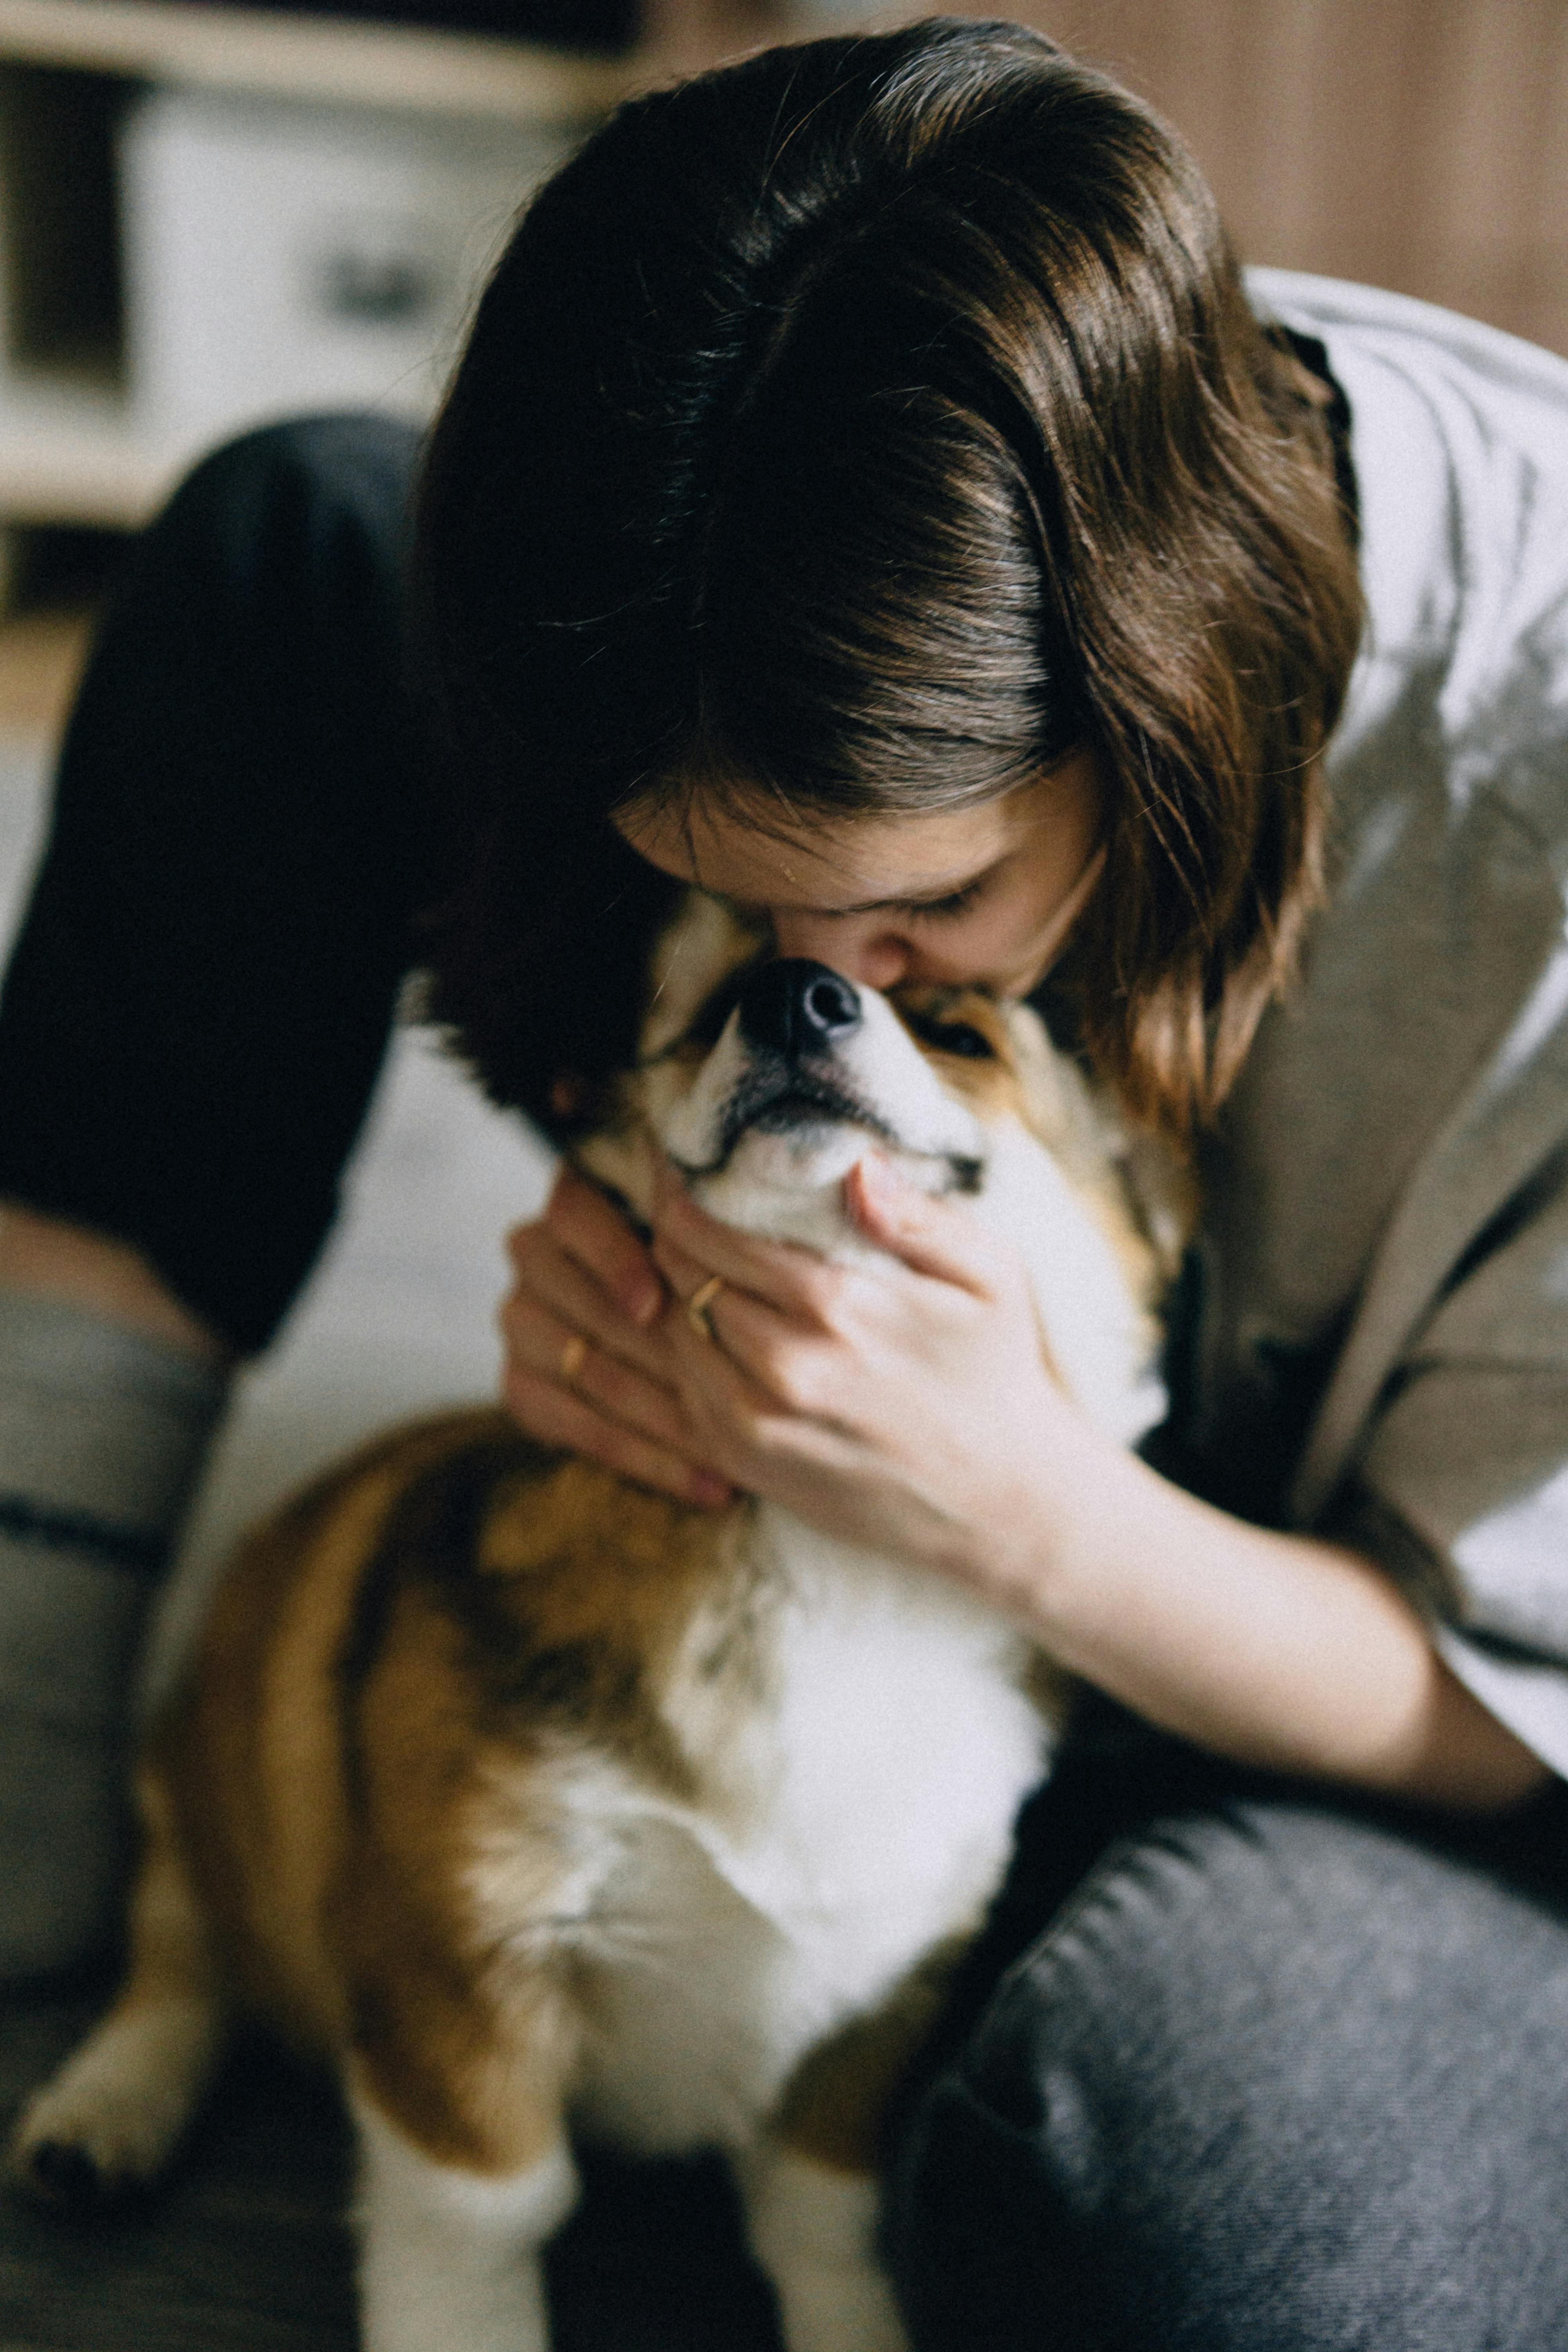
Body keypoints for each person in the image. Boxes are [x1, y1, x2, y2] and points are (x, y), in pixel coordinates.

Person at [3, 16, 1568, 2343]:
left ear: (1156, 707)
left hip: (1389, 1658)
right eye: (729, 910)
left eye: (914, 935)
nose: (807, 985)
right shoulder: (753, 564)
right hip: (916, 1371)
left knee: (1233, 2210)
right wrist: (659, 1154)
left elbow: (1510, 1696)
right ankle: (45, 1727)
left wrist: (1018, 1515)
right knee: (286, 542)